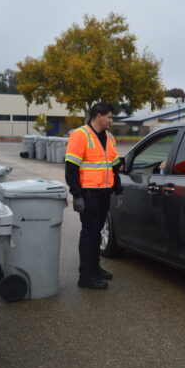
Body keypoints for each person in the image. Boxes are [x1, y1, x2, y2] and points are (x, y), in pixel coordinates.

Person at [65, 102, 122, 290]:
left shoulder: (109, 137)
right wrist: (77, 195)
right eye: (109, 117)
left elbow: (114, 165)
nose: (111, 120)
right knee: (89, 234)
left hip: (104, 192)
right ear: (98, 116)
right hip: (89, 193)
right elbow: (71, 168)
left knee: (96, 233)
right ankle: (86, 276)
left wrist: (118, 187)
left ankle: (94, 268)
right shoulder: (80, 135)